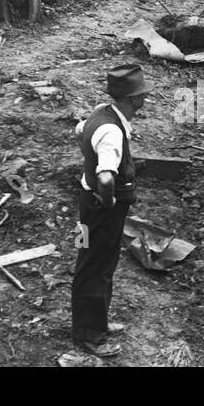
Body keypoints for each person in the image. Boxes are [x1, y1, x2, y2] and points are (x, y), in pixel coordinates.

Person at [71, 62, 149, 358]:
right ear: (132, 99)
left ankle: (94, 322)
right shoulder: (112, 131)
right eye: (141, 95)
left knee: (88, 259)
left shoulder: (100, 113)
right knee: (97, 267)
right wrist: (107, 201)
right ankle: (89, 335)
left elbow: (80, 132)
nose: (144, 100)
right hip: (101, 211)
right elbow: (106, 177)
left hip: (86, 207)